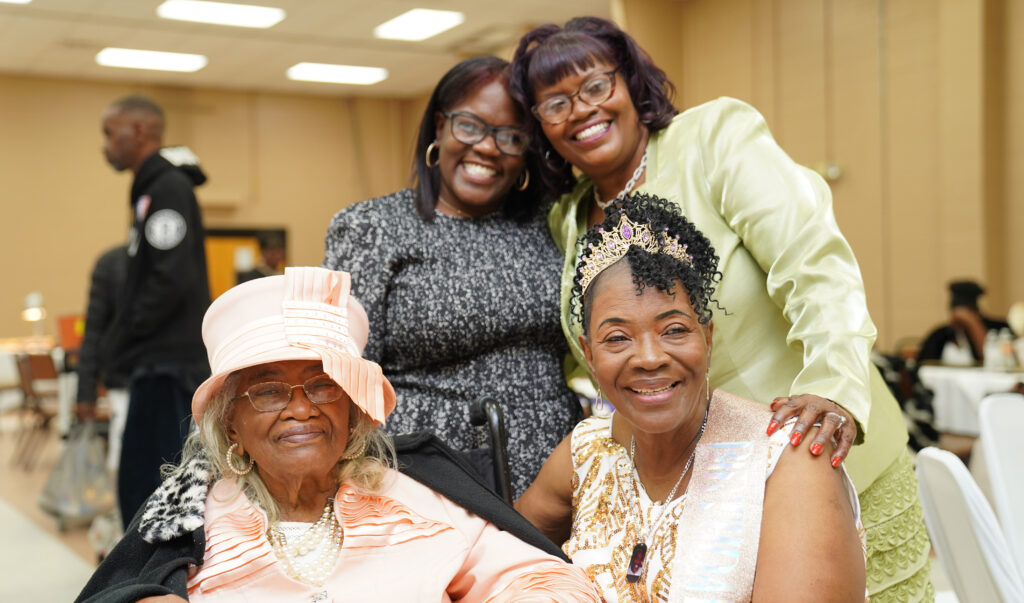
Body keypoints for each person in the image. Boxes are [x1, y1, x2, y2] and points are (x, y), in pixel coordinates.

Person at [509, 16, 930, 600]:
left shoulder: (711, 140)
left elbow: (815, 263)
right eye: (553, 103)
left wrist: (833, 388)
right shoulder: (571, 217)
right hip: (697, 499)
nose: (579, 110)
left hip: (815, 456)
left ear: (630, 83)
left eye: (596, 86)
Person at [75, 267, 599, 602]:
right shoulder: (191, 521)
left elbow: (540, 577)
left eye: (324, 387)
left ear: (352, 408)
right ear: (230, 420)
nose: (301, 408)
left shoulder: (420, 496)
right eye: (270, 391)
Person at [516, 194, 866, 600]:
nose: (649, 358)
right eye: (617, 338)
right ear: (590, 356)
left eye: (674, 330)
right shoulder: (587, 452)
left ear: (708, 338)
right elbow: (497, 559)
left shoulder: (787, 462)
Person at [323, 56, 582, 498]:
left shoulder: (554, 222)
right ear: (439, 129)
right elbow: (346, 375)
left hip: (559, 479)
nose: (487, 146)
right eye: (470, 126)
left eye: (510, 136)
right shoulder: (373, 226)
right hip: (428, 482)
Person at [100, 95, 211, 529]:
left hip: (169, 367)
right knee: (137, 483)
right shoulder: (150, 190)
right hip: (153, 362)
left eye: (110, 133)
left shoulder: (167, 188)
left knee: (158, 487)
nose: (105, 144)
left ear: (140, 131)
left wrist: (123, 339)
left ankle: (157, 581)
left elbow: (169, 280)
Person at [74, 243, 130, 472]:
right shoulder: (112, 264)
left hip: (171, 381)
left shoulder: (178, 261)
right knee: (125, 450)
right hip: (124, 379)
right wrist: (85, 393)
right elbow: (94, 331)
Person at [916, 279, 1014, 365]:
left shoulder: (998, 328)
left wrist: (972, 324)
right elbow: (923, 366)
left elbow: (994, 361)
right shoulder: (939, 335)